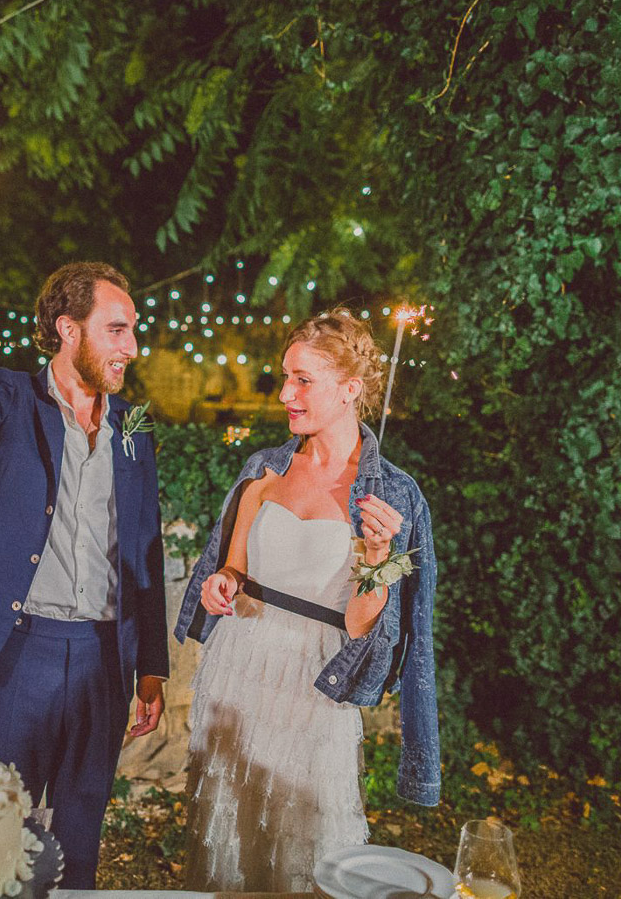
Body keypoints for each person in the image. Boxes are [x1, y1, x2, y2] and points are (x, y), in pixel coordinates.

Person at [0, 263, 169, 889]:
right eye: (118, 330)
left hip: (105, 661)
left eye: (133, 331)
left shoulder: (136, 425)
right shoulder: (9, 397)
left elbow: (145, 545)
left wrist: (150, 660)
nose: (132, 346)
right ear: (67, 329)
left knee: (80, 834)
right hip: (15, 655)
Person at [172, 308, 440, 893]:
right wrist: (223, 585)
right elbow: (233, 570)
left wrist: (376, 561)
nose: (285, 394)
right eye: (285, 377)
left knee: (303, 841)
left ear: (350, 390)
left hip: (314, 682)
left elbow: (363, 624)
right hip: (239, 668)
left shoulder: (392, 494)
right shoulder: (264, 469)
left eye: (302, 380)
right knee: (231, 832)